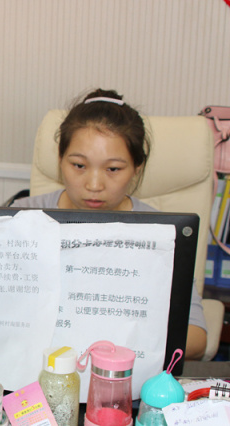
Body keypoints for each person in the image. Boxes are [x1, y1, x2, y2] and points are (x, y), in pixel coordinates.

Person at [13, 88, 207, 360]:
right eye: (79, 165)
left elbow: (196, 338)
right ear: (60, 160)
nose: (94, 185)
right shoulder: (21, 217)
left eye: (113, 169)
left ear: (137, 168)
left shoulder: (162, 234)